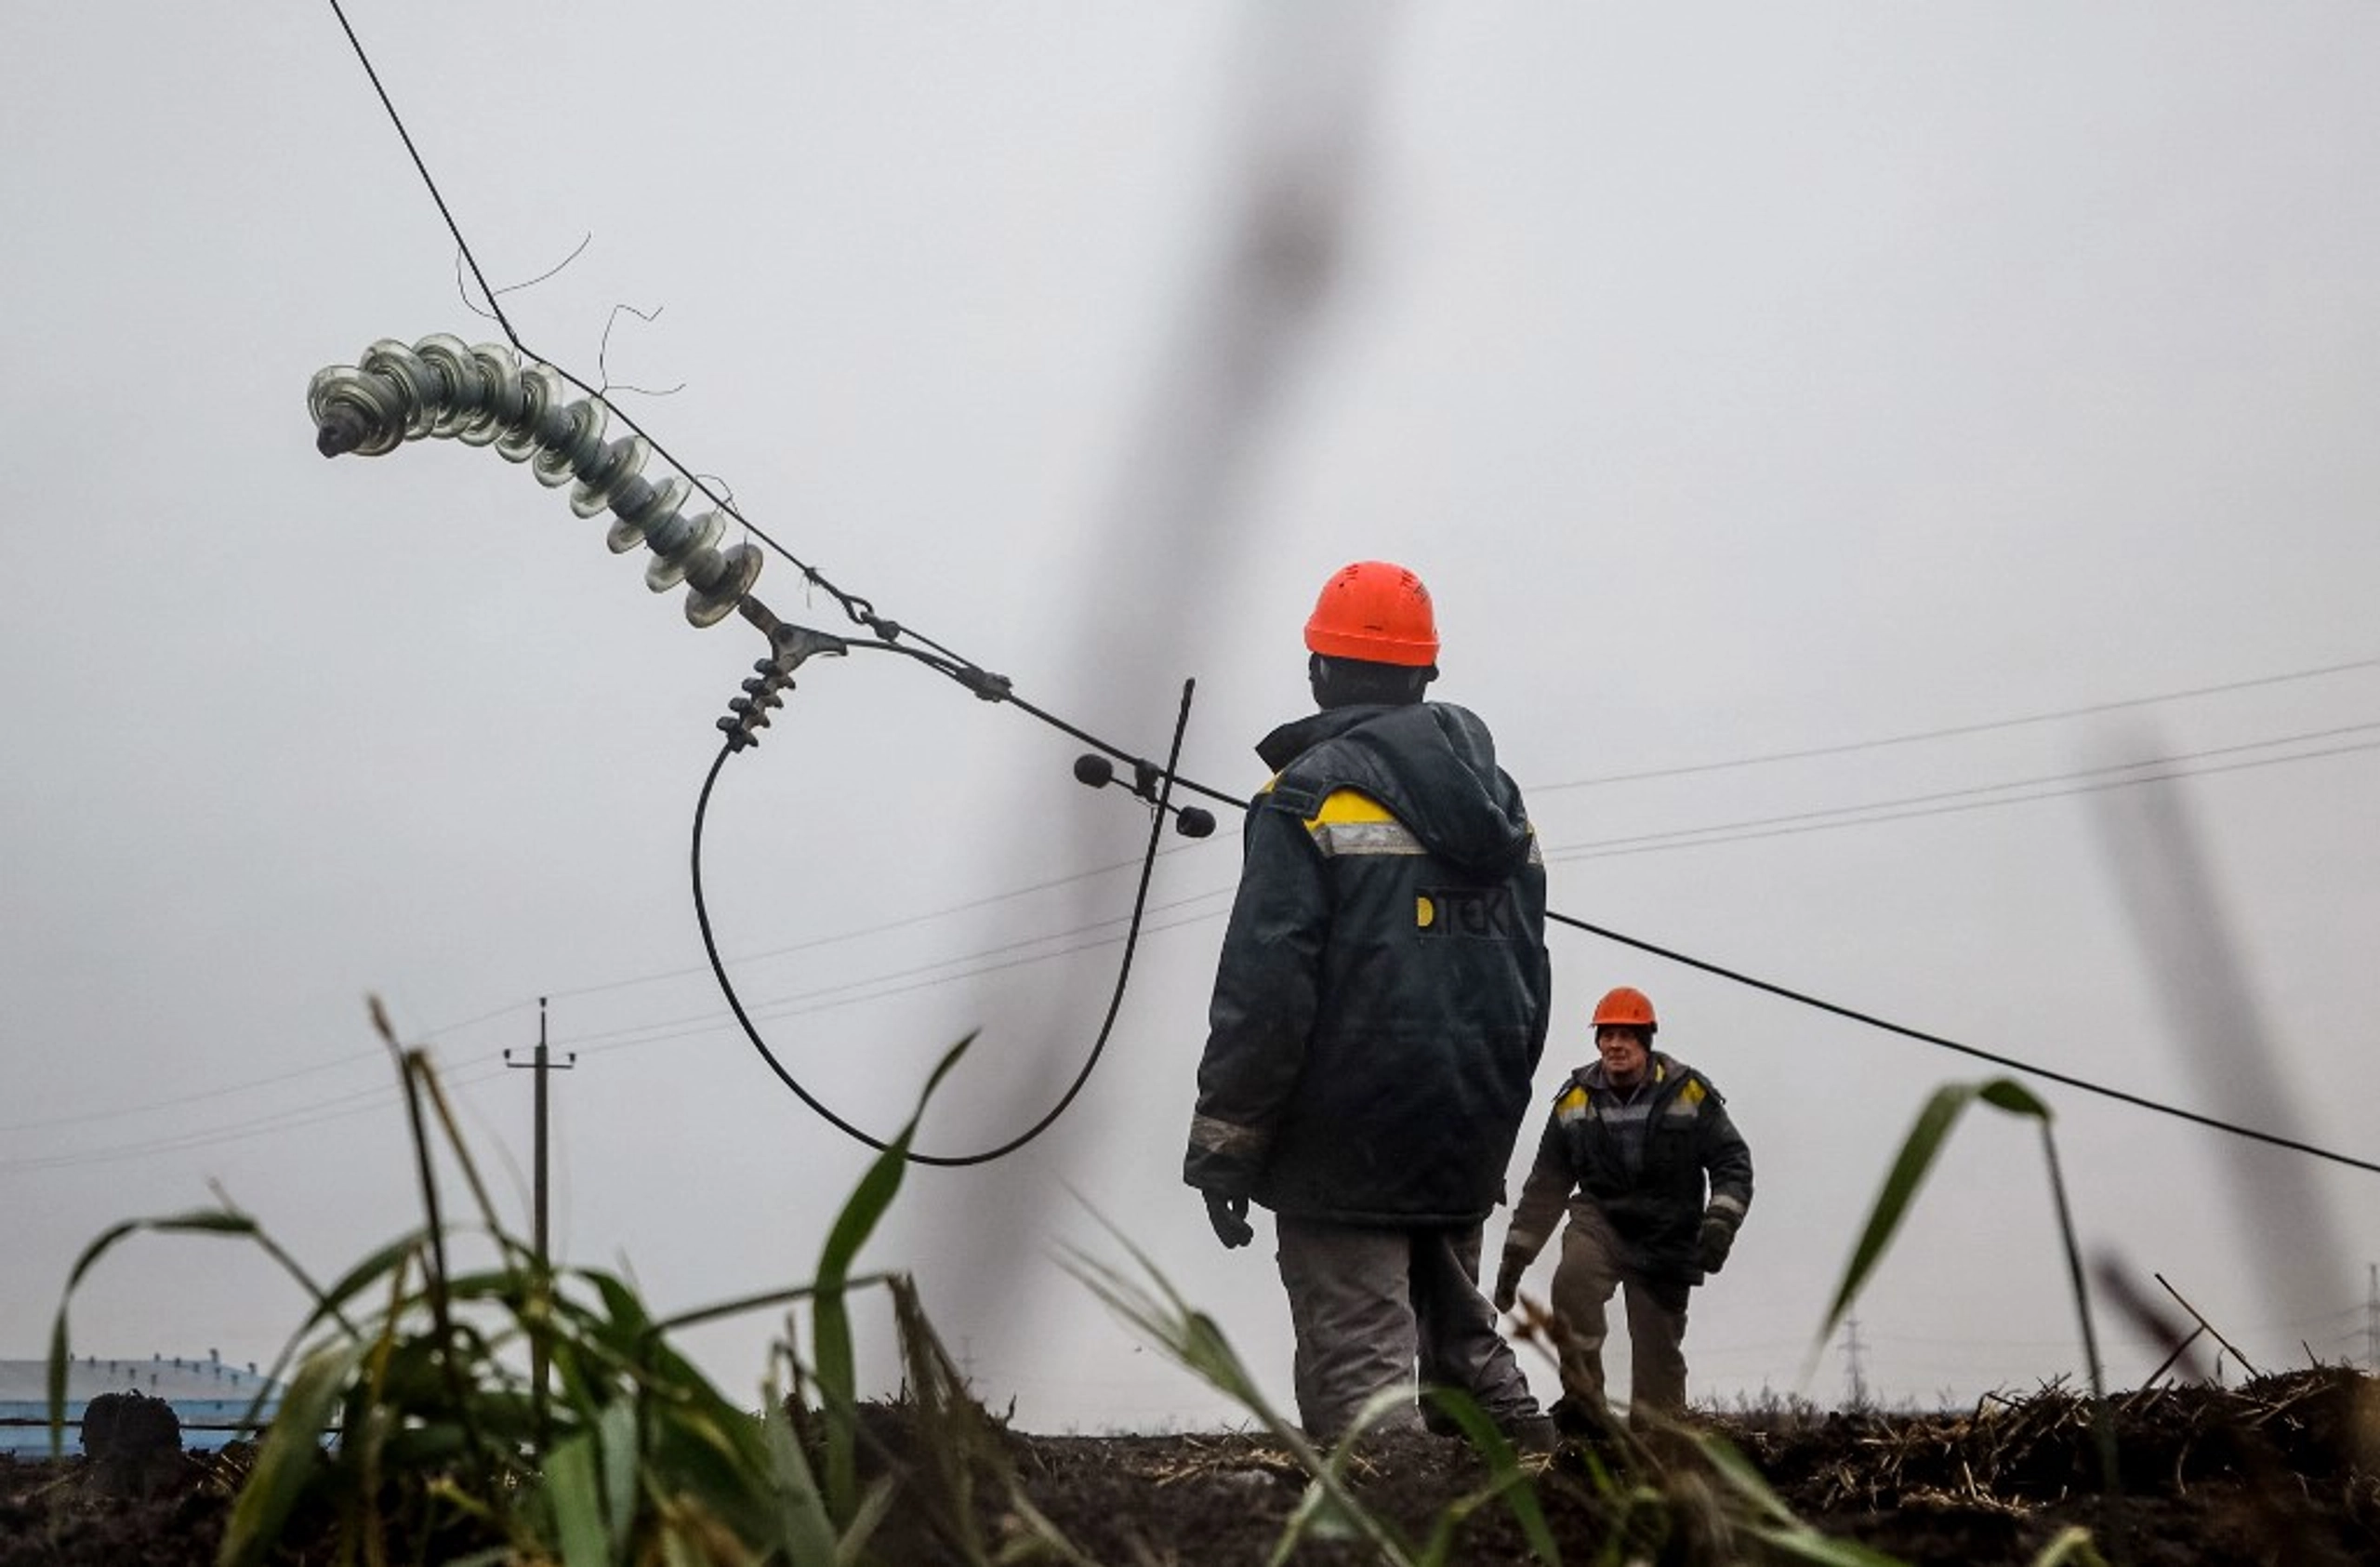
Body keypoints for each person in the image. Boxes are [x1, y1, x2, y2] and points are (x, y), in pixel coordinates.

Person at [1182, 560, 1554, 1446]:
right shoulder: (1504, 808)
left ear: (1318, 670)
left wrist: (1225, 1146)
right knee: (1465, 1345)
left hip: (1342, 1137)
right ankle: (1558, 1511)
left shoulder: (1302, 798)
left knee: (1363, 1381)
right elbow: (1529, 984)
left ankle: (1394, 1528)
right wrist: (1491, 1109)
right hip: (1467, 1118)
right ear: (1426, 673)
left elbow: (1265, 994)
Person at [1493, 986, 1753, 1430]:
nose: (1615, 1044)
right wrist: (1515, 1261)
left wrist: (1720, 1224)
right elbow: (1546, 1189)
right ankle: (1584, 1409)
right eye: (1606, 1034)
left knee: (1658, 1365)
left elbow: (1733, 1163)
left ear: (1646, 1041)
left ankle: (1657, 1441)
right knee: (1572, 1283)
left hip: (1666, 1235)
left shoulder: (1687, 1093)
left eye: (1626, 1035)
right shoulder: (1574, 1101)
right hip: (1601, 1223)